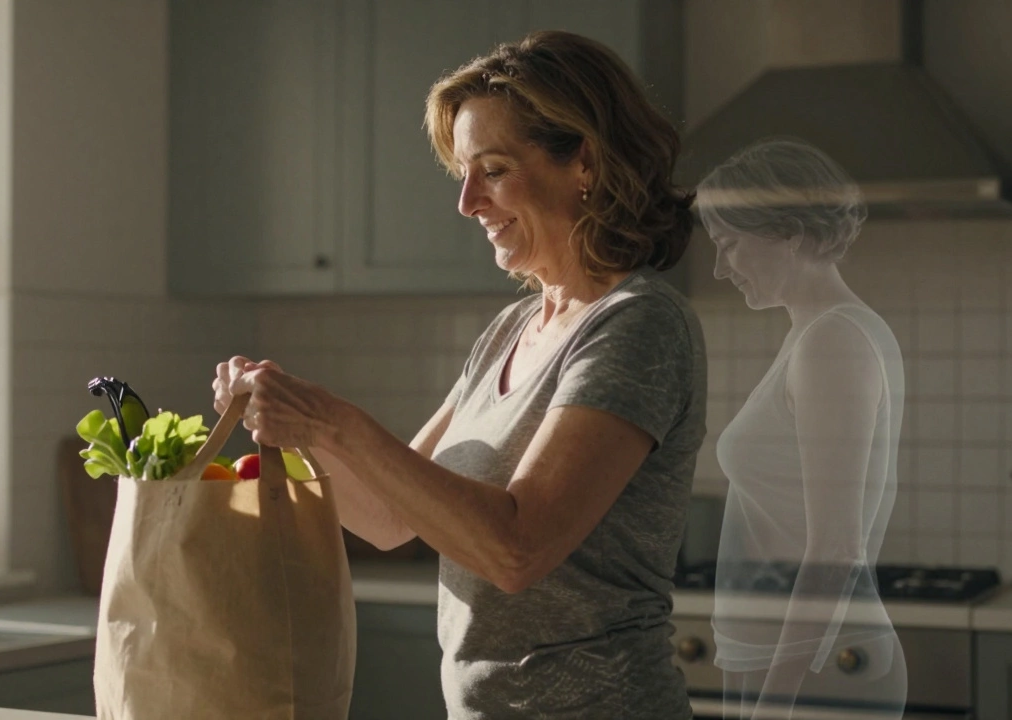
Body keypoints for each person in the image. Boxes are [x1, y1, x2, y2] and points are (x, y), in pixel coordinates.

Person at [213, 30, 705, 719]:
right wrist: (292, 419)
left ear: (583, 162)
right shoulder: (509, 332)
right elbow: (387, 519)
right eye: (463, 175)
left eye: (494, 170)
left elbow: (515, 548)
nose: (467, 201)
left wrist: (333, 419)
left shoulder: (638, 323)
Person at [698, 138, 908, 720]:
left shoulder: (833, 342)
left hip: (817, 667)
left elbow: (837, 547)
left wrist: (776, 704)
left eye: (729, 245)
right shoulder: (813, 334)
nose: (719, 268)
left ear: (787, 233)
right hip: (788, 659)